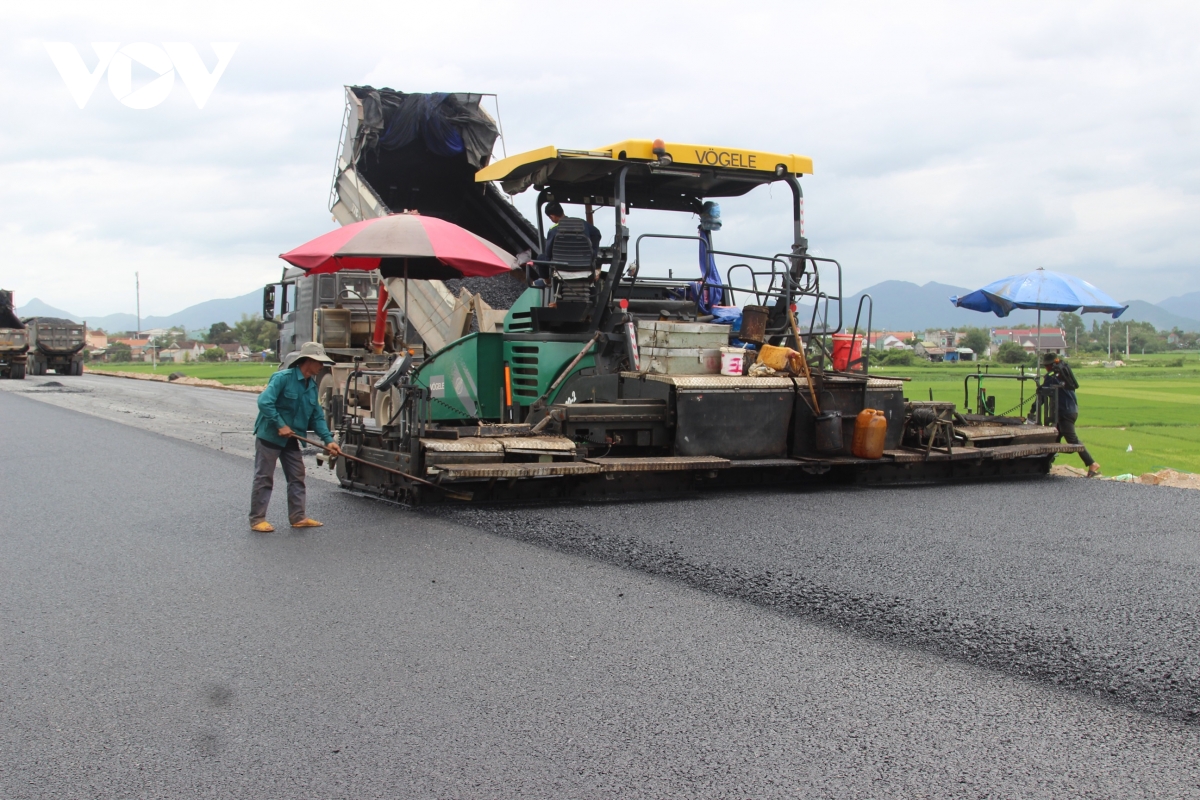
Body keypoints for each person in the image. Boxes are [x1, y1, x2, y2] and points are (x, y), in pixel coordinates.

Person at [250, 342, 342, 531]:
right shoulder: (283, 378)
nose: (322, 366)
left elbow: (317, 417)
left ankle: (298, 517)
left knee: (297, 476)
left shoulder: (312, 387)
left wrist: (328, 440)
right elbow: (264, 402)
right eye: (319, 362)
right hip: (270, 435)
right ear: (308, 360)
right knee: (264, 477)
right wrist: (280, 424)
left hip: (291, 438)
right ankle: (257, 519)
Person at [1031, 351, 1101, 477]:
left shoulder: (1052, 378)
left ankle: (1092, 463)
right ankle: (1043, 464)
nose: (1045, 367)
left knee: (1072, 439)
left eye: (1046, 365)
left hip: (1065, 412)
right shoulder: (1063, 375)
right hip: (1070, 410)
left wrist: (1032, 409)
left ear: (1050, 365)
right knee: (1054, 439)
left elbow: (1042, 396)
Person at [535, 201, 603, 286]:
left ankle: (547, 281)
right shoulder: (581, 223)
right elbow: (596, 233)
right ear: (562, 211)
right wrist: (593, 253)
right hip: (584, 263)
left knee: (540, 258)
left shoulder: (553, 230)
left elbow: (548, 254)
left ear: (552, 216)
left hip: (561, 266)